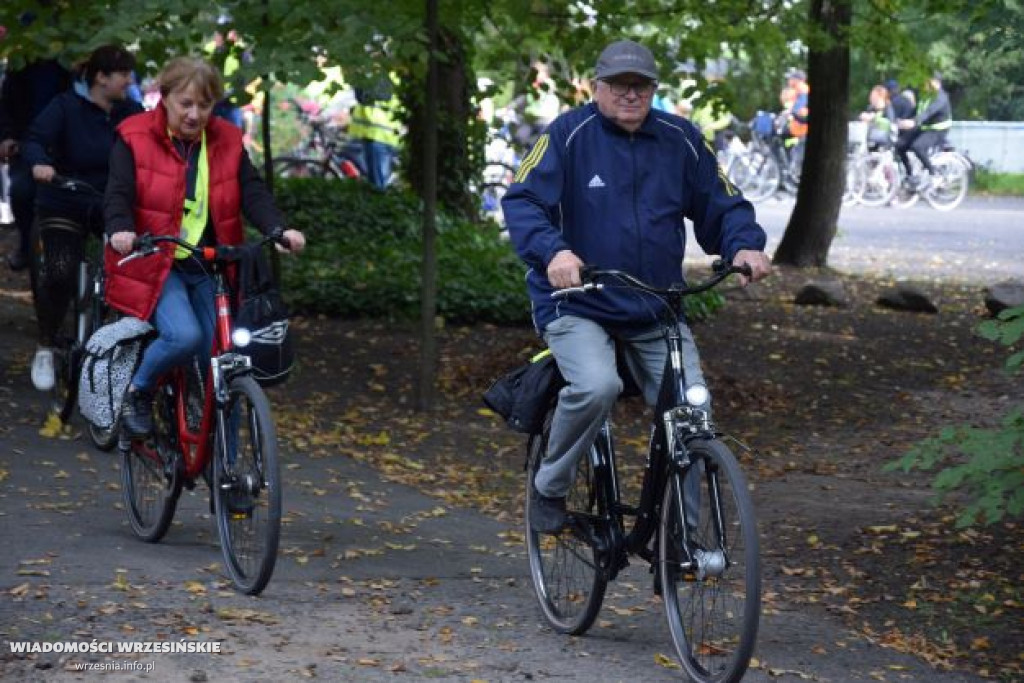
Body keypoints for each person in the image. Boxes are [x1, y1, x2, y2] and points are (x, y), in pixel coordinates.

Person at [502, 39, 772, 533]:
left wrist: (743, 245)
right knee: (596, 385)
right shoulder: (568, 135)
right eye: (620, 85)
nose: (631, 94)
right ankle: (551, 485)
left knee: (692, 411)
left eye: (641, 85)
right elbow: (521, 202)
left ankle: (682, 541)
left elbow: (724, 203)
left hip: (653, 305)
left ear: (653, 90)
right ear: (597, 87)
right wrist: (555, 253)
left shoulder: (681, 139)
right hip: (577, 301)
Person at [104, 56, 307, 437]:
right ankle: (138, 390)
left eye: (205, 104)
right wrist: (120, 229)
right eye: (186, 103)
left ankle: (228, 477)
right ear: (164, 98)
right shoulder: (133, 136)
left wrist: (279, 229)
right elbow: (117, 194)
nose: (195, 114)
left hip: (210, 263)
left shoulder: (227, 139)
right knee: (184, 336)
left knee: (224, 364)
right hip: (157, 260)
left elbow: (251, 190)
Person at [21, 44, 143, 392]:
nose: (129, 81)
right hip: (65, 199)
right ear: (101, 78)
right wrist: (39, 164)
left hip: (111, 204)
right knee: (58, 272)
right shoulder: (65, 107)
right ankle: (46, 344)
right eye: (123, 74)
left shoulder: (132, 113)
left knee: (135, 267)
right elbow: (34, 140)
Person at [0, 58, 71, 271]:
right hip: (25, 142)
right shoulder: (19, 68)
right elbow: (6, 104)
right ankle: (26, 243)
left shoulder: (69, 67)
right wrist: (7, 136)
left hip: (63, 145)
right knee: (22, 192)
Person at [895, 73, 952, 188]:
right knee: (900, 145)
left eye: (927, 81)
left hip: (938, 129)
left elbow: (929, 112)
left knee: (918, 147)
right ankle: (910, 176)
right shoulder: (926, 96)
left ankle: (935, 174)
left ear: (935, 83)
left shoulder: (941, 97)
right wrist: (901, 121)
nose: (923, 84)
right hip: (925, 127)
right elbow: (916, 110)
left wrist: (914, 122)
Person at [348, 77, 401, 189]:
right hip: (385, 135)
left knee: (377, 184)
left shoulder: (378, 77)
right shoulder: (390, 75)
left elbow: (363, 97)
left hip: (377, 135)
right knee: (379, 180)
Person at [858, 84, 896, 149]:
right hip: (869, 139)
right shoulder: (870, 108)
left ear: (881, 96)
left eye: (873, 96)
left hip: (884, 140)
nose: (871, 98)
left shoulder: (888, 108)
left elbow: (890, 124)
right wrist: (862, 117)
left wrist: (874, 118)